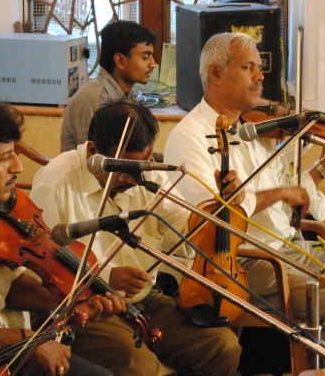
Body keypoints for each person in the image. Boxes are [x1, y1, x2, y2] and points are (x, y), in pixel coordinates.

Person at [164, 32, 325, 372]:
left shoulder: (256, 131)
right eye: (248, 67)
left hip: (292, 249)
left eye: (260, 68)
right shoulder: (189, 137)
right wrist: (279, 195)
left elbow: (299, 196)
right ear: (216, 74)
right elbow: (212, 220)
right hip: (245, 261)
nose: (260, 77)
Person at [32, 100, 242, 376]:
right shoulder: (56, 182)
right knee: (139, 366)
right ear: (94, 152)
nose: (135, 179)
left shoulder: (145, 173)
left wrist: (223, 205)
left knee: (222, 346)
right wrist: (106, 275)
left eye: (143, 164)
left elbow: (187, 231)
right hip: (85, 308)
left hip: (143, 302)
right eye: (126, 169)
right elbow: (40, 262)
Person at [0, 100, 119, 376]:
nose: (18, 167)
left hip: (11, 349)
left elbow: (9, 285)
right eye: (5, 158)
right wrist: (25, 341)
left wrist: (67, 301)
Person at [60, 20, 157, 152]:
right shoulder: (93, 99)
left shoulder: (130, 95)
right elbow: (92, 162)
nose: (153, 64)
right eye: (145, 57)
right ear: (120, 60)